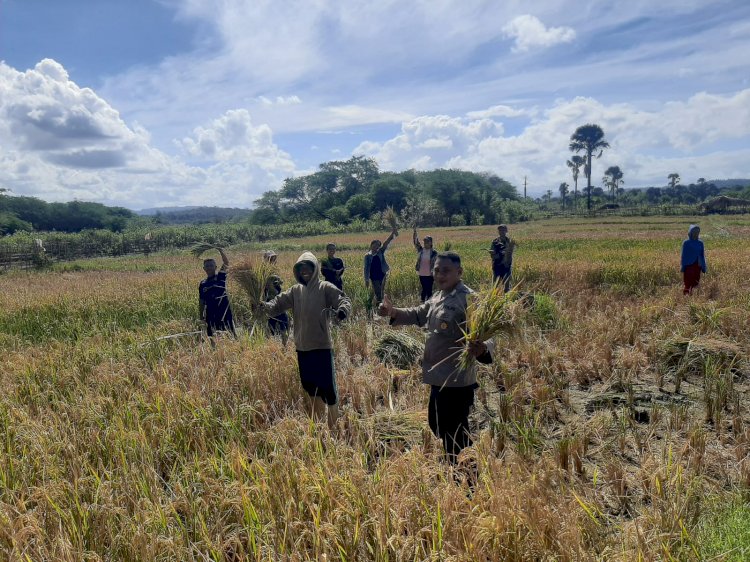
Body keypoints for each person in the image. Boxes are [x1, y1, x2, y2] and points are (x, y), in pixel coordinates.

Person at [378, 252, 493, 465]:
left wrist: (484, 349)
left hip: (457, 381)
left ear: (459, 272)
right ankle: (457, 466)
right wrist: (392, 311)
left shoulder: (469, 299)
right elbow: (417, 314)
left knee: (455, 432)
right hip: (437, 378)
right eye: (436, 270)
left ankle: (467, 478)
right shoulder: (438, 297)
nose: (439, 275)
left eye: (446, 270)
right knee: (437, 424)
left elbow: (488, 333)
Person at [259, 252, 351, 427]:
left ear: (315, 269)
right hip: (302, 348)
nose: (305, 271)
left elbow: (343, 300)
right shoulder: (295, 291)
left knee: (328, 389)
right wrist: (263, 306)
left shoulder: (325, 287)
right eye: (301, 269)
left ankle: (333, 424)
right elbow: (276, 305)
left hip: (322, 347)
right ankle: (317, 423)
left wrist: (342, 311)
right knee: (311, 388)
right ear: (297, 272)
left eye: (308, 268)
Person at [199, 248, 236, 337]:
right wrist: (201, 317)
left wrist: (220, 250)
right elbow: (201, 301)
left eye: (211, 265)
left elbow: (226, 263)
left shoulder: (220, 277)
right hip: (210, 313)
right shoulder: (203, 283)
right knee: (212, 336)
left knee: (230, 334)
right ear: (204, 268)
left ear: (215, 267)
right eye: (207, 266)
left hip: (224, 312)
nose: (209, 268)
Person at [363, 227, 397, 307]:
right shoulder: (367, 256)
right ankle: (380, 305)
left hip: (382, 274)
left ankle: (380, 305)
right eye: (375, 245)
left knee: (381, 290)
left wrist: (392, 233)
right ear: (371, 245)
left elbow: (386, 243)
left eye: (378, 245)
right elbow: (366, 268)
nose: (376, 247)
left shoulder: (380, 252)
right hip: (374, 276)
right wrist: (366, 279)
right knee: (378, 291)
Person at [413, 227, 438, 302]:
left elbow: (437, 263)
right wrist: (414, 232)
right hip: (422, 273)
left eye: (427, 242)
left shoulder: (434, 253)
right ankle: (423, 302)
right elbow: (415, 242)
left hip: (430, 274)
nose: (425, 243)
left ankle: (428, 304)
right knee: (424, 288)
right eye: (424, 242)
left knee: (429, 289)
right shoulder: (421, 250)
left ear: (431, 243)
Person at [681, 224, 707, 295]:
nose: (696, 233)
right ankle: (686, 295)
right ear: (690, 233)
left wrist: (704, 266)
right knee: (688, 280)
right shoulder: (686, 243)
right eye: (694, 232)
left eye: (697, 232)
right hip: (689, 265)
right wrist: (683, 266)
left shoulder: (700, 243)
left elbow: (702, 255)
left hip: (698, 265)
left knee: (696, 281)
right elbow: (683, 255)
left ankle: (692, 295)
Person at [264, 274, 289, 345]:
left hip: (280, 311)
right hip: (271, 314)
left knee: (284, 330)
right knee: (272, 333)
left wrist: (274, 284)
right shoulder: (264, 290)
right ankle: (274, 347)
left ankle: (284, 346)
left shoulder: (275, 282)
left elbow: (281, 283)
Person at [489, 224, 515, 291]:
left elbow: (510, 253)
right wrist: (499, 254)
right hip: (497, 267)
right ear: (498, 231)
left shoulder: (510, 241)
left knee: (506, 287)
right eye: (500, 230)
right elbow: (492, 255)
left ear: (506, 231)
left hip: (506, 267)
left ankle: (507, 300)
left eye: (503, 230)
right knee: (495, 287)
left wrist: (500, 254)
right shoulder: (494, 242)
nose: (501, 231)